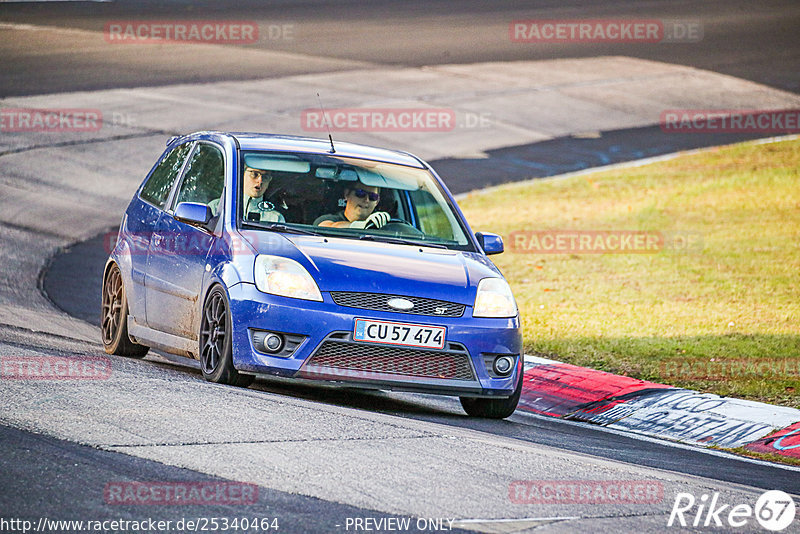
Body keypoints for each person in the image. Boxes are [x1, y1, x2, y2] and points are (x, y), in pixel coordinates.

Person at [208, 166, 285, 222]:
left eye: (265, 177)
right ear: (242, 175)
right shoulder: (217, 208)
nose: (260, 181)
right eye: (254, 174)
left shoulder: (276, 219)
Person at [314, 183, 390, 229]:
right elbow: (327, 227)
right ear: (347, 194)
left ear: (377, 201)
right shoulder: (328, 219)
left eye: (372, 196)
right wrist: (362, 225)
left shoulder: (383, 228)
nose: (366, 200)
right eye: (360, 193)